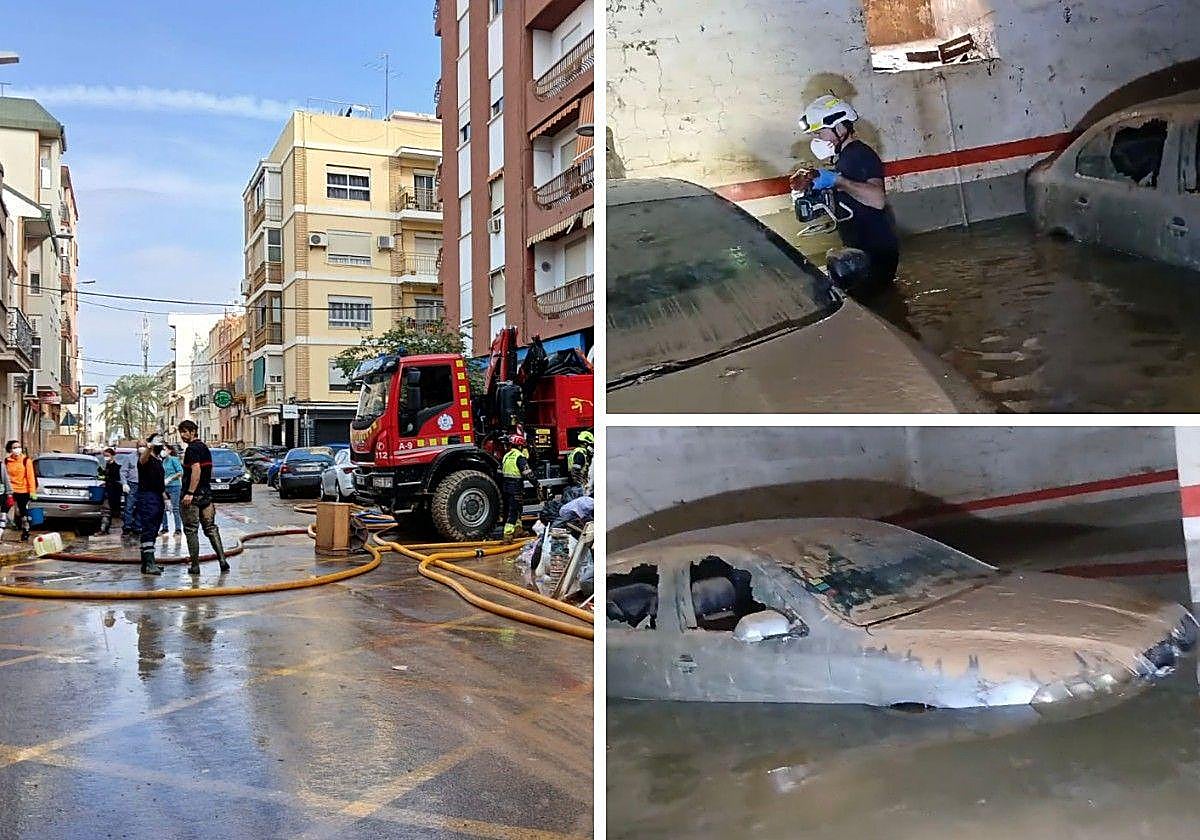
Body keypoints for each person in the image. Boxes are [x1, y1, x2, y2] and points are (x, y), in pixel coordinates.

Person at [798, 94, 900, 297]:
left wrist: (838, 181)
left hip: (874, 254)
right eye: (815, 135)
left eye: (820, 133)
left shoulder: (859, 154)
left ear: (841, 127)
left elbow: (877, 199)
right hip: (861, 250)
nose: (818, 139)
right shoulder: (843, 159)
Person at [178, 420, 229, 576]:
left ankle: (195, 566)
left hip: (192, 497)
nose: (182, 435)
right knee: (211, 528)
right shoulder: (205, 448)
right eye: (181, 432)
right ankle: (222, 560)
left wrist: (190, 493)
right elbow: (208, 471)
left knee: (191, 530)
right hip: (206, 496)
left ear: (193, 431)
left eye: (185, 431)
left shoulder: (191, 450)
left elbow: (196, 470)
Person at [135, 435, 166, 576]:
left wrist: (166, 498)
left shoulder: (158, 461)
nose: (161, 444)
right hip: (148, 497)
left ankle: (147, 563)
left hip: (157, 497)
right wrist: (149, 447)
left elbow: (159, 482)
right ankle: (149, 564)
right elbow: (142, 460)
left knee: (154, 530)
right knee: (148, 528)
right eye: (158, 441)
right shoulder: (146, 459)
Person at [500, 432, 535, 542]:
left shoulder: (506, 456)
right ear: (520, 446)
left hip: (506, 487)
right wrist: (536, 484)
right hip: (515, 488)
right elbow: (528, 473)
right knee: (514, 511)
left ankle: (518, 530)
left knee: (516, 509)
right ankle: (508, 534)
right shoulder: (520, 457)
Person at [3, 440, 37, 541]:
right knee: (4, 510)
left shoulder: (26, 460)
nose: (17, 449)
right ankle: (1, 530)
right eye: (14, 447)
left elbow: (30, 477)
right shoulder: (7, 461)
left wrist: (32, 492)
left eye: (18, 447)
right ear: (10, 449)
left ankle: (26, 531)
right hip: (10, 490)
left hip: (23, 490)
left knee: (23, 512)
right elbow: (4, 476)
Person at [159, 444, 184, 537]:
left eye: (164, 449)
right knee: (163, 508)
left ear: (169, 450)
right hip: (164, 487)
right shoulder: (162, 461)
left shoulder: (174, 459)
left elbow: (180, 472)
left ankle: (178, 529)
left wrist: (170, 478)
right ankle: (165, 528)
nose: (163, 451)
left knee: (175, 508)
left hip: (174, 486)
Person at [100, 448, 122, 535]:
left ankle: (105, 529)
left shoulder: (116, 467)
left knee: (108, 511)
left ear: (112, 456)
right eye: (104, 456)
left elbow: (116, 480)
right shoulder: (106, 466)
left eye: (107, 456)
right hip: (107, 491)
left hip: (113, 492)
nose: (106, 458)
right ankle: (105, 529)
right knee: (106, 511)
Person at [119, 448, 139, 541]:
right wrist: (124, 483)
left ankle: (138, 527)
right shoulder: (130, 457)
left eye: (144, 446)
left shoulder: (148, 456)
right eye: (140, 446)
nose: (142, 448)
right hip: (132, 484)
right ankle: (127, 526)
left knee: (141, 507)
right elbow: (123, 471)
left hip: (144, 485)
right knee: (129, 506)